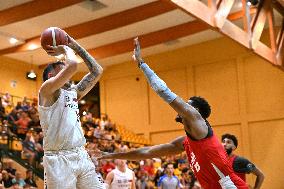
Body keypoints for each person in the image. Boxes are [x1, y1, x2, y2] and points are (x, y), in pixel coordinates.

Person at [98, 38, 248, 189]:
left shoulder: (198, 121)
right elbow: (146, 152)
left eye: (187, 104)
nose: (182, 105)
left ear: (195, 111)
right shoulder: (186, 141)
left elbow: (164, 91)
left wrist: (141, 64)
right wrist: (110, 155)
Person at [38, 32, 104, 189]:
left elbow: (97, 71)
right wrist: (66, 48)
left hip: (80, 154)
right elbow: (73, 65)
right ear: (51, 75)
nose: (68, 73)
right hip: (58, 160)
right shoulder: (46, 90)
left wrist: (73, 44)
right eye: (63, 68)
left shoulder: (73, 92)